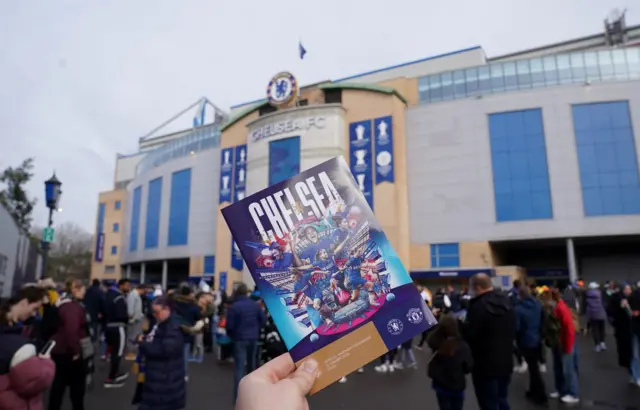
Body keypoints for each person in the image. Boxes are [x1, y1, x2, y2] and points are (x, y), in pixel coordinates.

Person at [464, 273, 515, 410]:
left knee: (488, 402)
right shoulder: (507, 302)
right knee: (501, 399)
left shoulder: (478, 307)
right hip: (505, 362)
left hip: (484, 366)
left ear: (477, 287)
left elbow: (470, 335)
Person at [0, 287, 55, 410]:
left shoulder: (15, 329)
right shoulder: (17, 343)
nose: (34, 313)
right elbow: (32, 381)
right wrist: (45, 363)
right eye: (35, 308)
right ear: (24, 302)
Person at [48, 278, 91, 410]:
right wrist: (76, 350)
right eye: (83, 290)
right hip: (69, 352)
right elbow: (71, 329)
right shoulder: (72, 307)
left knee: (58, 386)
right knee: (76, 388)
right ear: (75, 290)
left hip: (60, 350)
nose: (84, 293)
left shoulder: (61, 304)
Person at [136, 296, 186, 410]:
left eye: (157, 312)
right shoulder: (164, 323)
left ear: (166, 309)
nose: (154, 315)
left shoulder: (172, 327)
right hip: (162, 377)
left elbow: (164, 350)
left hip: (164, 379)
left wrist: (143, 344)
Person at [226, 282, 267, 403]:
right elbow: (263, 319)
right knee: (252, 367)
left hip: (239, 339)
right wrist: (257, 330)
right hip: (253, 337)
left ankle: (238, 398)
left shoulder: (234, 306)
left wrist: (232, 335)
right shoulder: (255, 305)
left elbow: (230, 326)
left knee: (239, 368)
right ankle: (252, 396)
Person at [235, 354, 318, 410]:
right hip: (252, 337)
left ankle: (237, 395)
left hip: (240, 337)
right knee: (251, 361)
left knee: (240, 366)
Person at [427, 314, 473, 410]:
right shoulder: (462, 346)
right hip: (457, 386)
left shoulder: (436, 344)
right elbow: (468, 366)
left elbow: (430, 338)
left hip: (441, 386)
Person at [541, 289, 579, 404]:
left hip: (564, 343)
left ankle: (573, 393)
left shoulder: (561, 308)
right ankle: (561, 390)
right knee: (558, 368)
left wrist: (568, 345)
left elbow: (569, 329)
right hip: (557, 343)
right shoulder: (554, 308)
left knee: (568, 370)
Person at [514, 286, 548, 406]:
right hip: (537, 339)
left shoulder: (518, 309)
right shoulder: (537, 305)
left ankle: (540, 395)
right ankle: (533, 391)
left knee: (533, 370)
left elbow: (516, 328)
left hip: (525, 341)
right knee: (534, 367)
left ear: (520, 295)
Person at [170, 284, 202, 379]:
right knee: (184, 354)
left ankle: (172, 372)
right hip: (187, 332)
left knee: (173, 354)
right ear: (189, 293)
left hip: (173, 331)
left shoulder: (173, 303)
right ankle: (184, 374)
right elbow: (198, 317)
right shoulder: (193, 305)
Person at [103, 278, 131, 388]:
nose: (128, 287)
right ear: (121, 286)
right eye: (127, 285)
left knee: (114, 350)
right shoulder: (119, 297)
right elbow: (120, 315)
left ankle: (115, 373)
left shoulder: (108, 295)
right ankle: (111, 377)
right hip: (118, 327)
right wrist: (127, 317)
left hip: (109, 326)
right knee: (118, 352)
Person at [607, 283, 637, 384]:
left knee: (633, 353)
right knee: (629, 353)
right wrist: (620, 307)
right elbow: (610, 311)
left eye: (630, 289)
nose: (629, 291)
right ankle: (632, 374)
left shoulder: (633, 298)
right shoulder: (616, 298)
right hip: (623, 330)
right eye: (626, 289)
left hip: (633, 329)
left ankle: (633, 374)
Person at [584, 282, 607, 351]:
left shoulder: (587, 294)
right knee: (602, 329)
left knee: (595, 330)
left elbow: (585, 304)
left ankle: (597, 345)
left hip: (592, 314)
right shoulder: (600, 293)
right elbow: (604, 302)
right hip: (601, 313)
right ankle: (603, 343)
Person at [126, 284, 145, 361]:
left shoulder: (136, 295)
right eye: (144, 290)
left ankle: (133, 353)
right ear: (141, 289)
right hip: (133, 320)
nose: (144, 292)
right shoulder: (133, 295)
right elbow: (130, 307)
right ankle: (129, 354)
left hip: (137, 319)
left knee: (135, 336)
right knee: (131, 337)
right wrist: (131, 316)